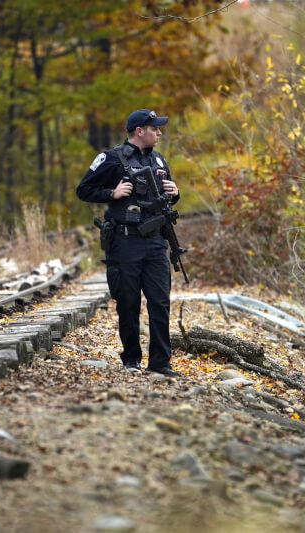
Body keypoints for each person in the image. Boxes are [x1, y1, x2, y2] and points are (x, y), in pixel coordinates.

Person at [76, 109, 182, 377]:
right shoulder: (112, 158)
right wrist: (112, 193)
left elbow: (165, 201)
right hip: (125, 241)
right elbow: (83, 190)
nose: (159, 133)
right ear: (139, 131)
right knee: (128, 302)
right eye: (154, 128)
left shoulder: (159, 160)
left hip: (156, 242)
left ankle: (160, 363)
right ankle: (131, 359)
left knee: (160, 302)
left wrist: (176, 192)